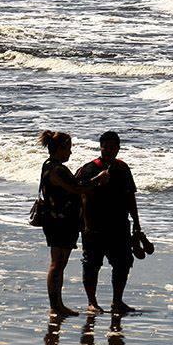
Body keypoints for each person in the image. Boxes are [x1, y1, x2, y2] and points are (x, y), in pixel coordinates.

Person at [38, 129, 109, 316]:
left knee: (59, 263)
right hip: (59, 221)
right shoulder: (57, 169)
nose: (70, 152)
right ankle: (55, 306)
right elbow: (77, 188)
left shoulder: (49, 166)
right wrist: (98, 179)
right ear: (59, 149)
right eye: (68, 148)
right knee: (58, 263)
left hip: (58, 220)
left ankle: (57, 305)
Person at [76, 131, 142, 315]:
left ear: (118, 148)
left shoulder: (123, 168)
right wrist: (86, 225)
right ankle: (92, 302)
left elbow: (131, 197)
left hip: (119, 224)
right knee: (91, 263)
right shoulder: (89, 169)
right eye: (106, 147)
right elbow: (80, 194)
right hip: (93, 226)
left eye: (113, 147)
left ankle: (117, 302)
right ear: (100, 147)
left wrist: (137, 224)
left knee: (123, 263)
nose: (109, 150)